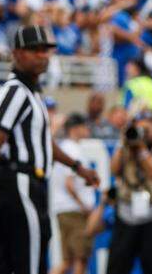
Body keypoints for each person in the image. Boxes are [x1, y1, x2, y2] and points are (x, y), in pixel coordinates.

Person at [0, 25, 99, 274]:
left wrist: (77, 167)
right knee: (29, 264)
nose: (43, 55)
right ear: (17, 54)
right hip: (19, 183)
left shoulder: (31, 93)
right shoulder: (16, 91)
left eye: (46, 50)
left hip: (17, 183)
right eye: (35, 50)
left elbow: (42, 142)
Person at [106, 109, 152, 274]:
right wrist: (124, 142)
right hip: (126, 212)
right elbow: (114, 169)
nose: (143, 133)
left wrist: (141, 148)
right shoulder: (126, 146)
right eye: (140, 129)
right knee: (117, 266)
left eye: (147, 130)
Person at [49, 114, 96, 274]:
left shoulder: (66, 147)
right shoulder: (72, 150)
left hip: (66, 209)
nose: (87, 129)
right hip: (74, 210)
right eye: (84, 126)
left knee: (68, 261)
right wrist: (84, 206)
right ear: (75, 129)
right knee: (80, 258)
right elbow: (69, 183)